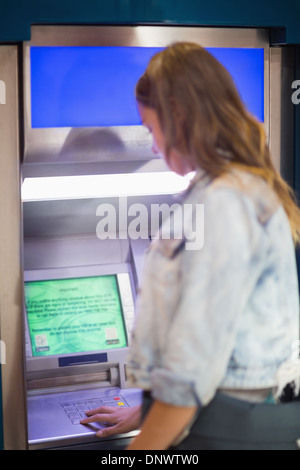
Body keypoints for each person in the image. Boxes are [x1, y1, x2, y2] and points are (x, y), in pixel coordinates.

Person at [81, 42, 300, 449]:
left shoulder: (222, 204)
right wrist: (143, 411)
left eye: (151, 129)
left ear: (178, 115)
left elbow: (193, 370)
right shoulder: (243, 188)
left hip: (225, 436)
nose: (152, 145)